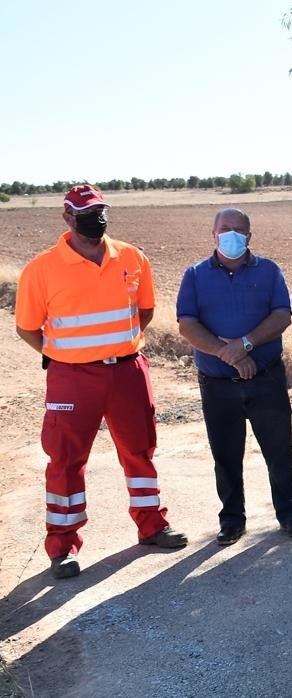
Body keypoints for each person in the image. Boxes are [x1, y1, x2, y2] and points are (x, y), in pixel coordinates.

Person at [15, 184, 187, 579]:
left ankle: (152, 525)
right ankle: (62, 546)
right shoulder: (41, 269)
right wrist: (65, 355)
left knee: (140, 449)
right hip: (71, 378)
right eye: (86, 213)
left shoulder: (131, 257)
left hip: (127, 371)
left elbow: (144, 311)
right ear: (67, 218)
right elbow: (27, 328)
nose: (96, 219)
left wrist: (122, 346)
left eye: (100, 210)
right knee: (65, 460)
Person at [176, 208, 292, 545]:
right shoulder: (195, 275)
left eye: (239, 229)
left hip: (266, 379)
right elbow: (187, 324)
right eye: (225, 228)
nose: (232, 234)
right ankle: (232, 520)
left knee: (279, 451)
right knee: (226, 454)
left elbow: (281, 316)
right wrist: (230, 355)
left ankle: (290, 515)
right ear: (213, 233)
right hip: (217, 384)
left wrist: (245, 344)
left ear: (250, 236)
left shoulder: (268, 271)